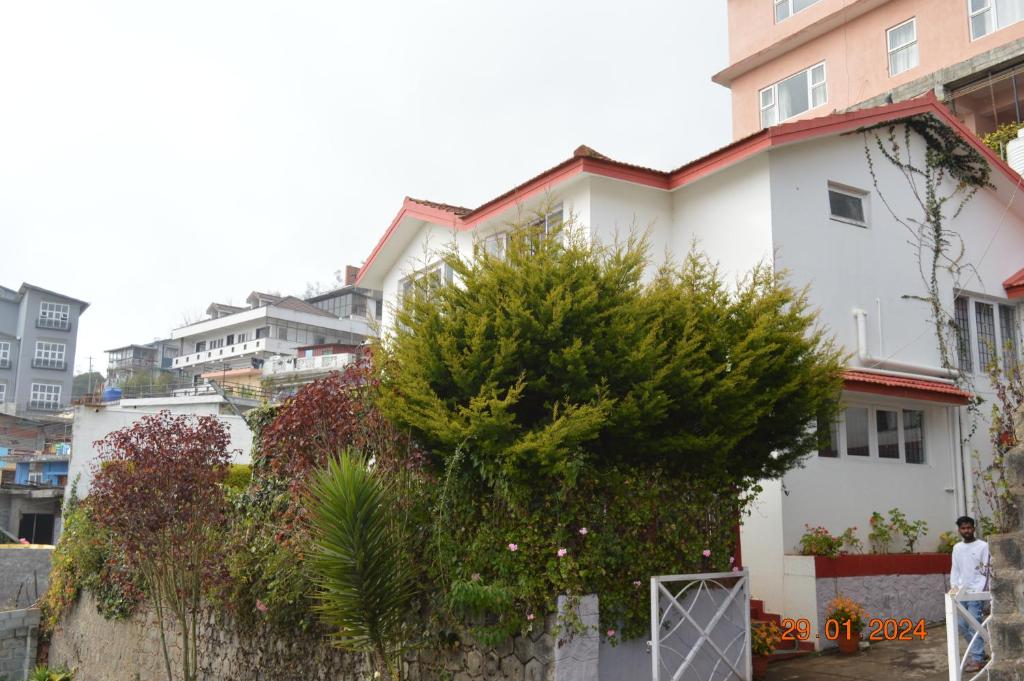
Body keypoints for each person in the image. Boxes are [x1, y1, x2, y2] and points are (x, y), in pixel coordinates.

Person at [949, 515, 991, 673]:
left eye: (969, 527)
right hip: (960, 593)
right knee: (961, 625)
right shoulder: (957, 548)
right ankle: (979, 653)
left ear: (974, 528)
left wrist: (980, 591)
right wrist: (954, 587)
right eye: (963, 528)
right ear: (959, 530)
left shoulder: (983, 546)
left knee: (974, 625)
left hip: (976, 593)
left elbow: (986, 569)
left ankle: (978, 659)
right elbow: (955, 569)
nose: (966, 530)